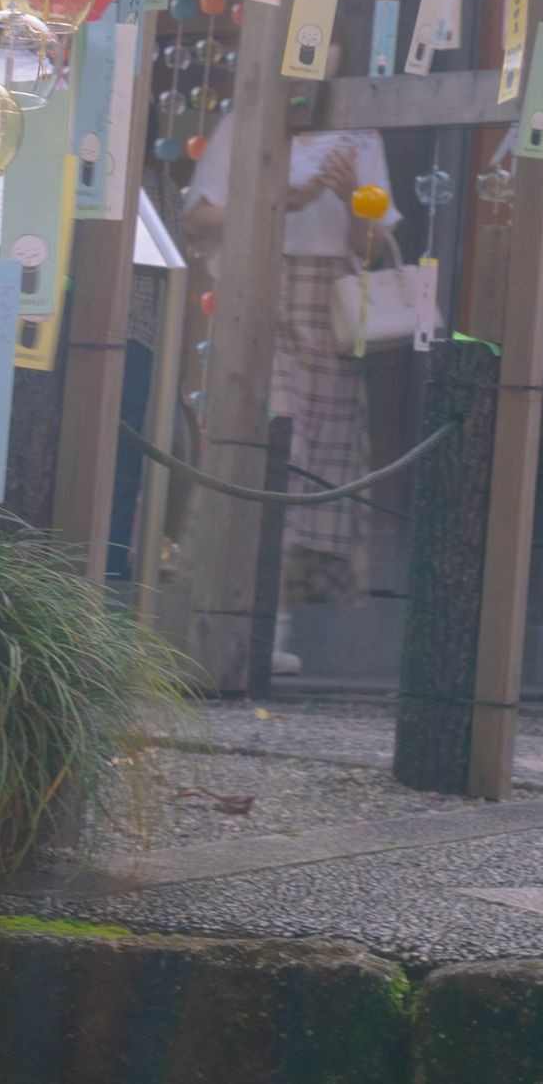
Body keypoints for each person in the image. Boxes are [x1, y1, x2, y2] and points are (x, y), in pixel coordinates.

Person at [181, 102, 399, 674]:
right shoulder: (245, 120)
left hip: (329, 309)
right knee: (273, 448)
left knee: (312, 466)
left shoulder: (359, 133)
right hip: (256, 292)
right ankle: (247, 622)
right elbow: (198, 220)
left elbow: (373, 246)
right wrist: (277, 199)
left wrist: (352, 196)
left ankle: (269, 624)